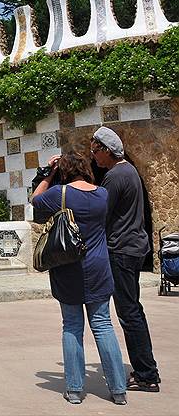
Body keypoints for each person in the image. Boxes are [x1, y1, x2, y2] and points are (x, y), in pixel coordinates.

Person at [32, 151, 127, 405]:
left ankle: (74, 390)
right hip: (98, 267)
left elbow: (35, 200)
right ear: (86, 167)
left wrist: (48, 172)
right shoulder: (102, 195)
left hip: (68, 269)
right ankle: (118, 389)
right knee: (103, 325)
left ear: (64, 170)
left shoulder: (59, 194)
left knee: (72, 326)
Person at [91, 126, 161, 392]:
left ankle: (146, 374)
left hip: (120, 250)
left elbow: (101, 213)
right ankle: (146, 369)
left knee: (129, 313)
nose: (95, 156)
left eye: (96, 151)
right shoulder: (129, 171)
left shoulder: (115, 176)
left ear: (107, 151)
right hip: (133, 248)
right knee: (133, 311)